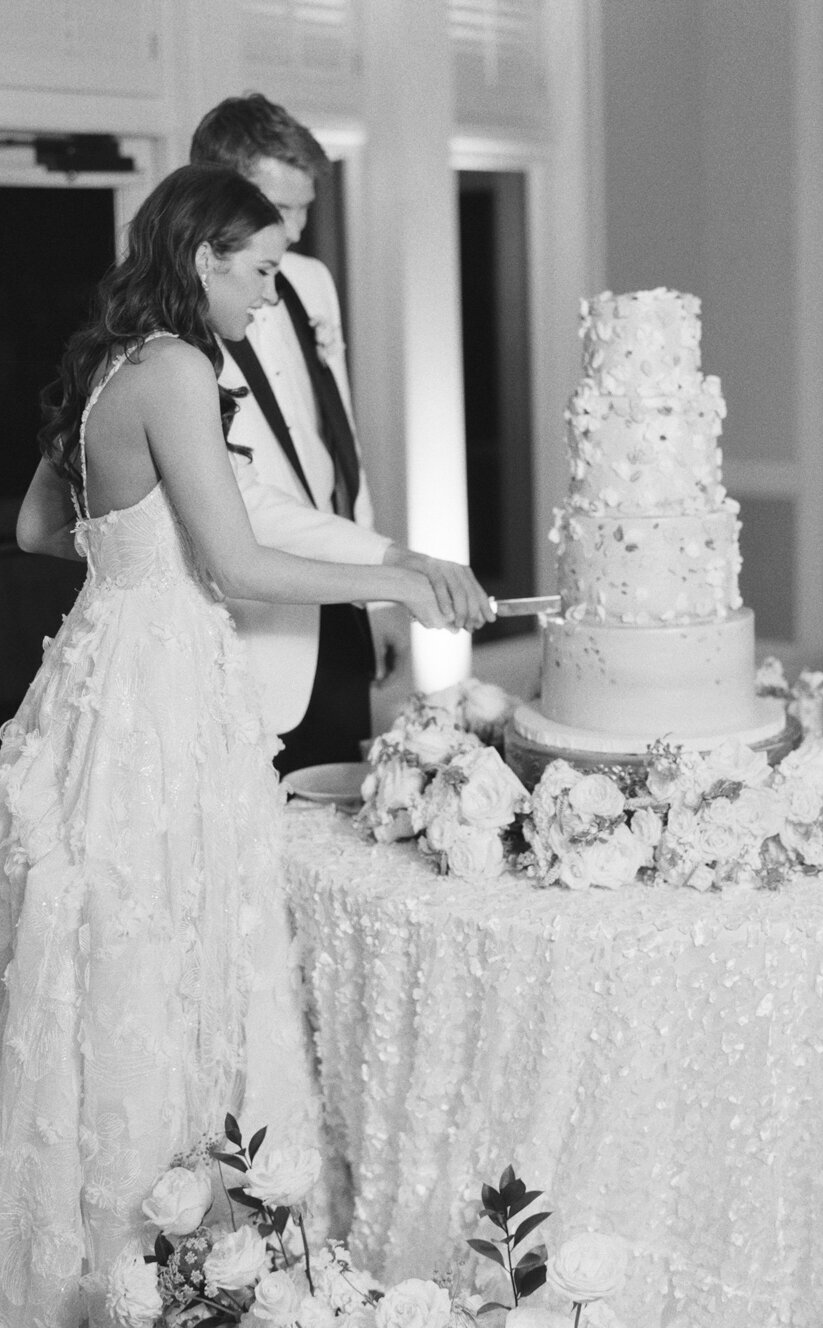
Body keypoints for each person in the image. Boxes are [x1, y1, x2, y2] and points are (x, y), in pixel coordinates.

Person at [0, 162, 492, 1327]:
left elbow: (32, 524)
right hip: (162, 692)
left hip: (103, 674)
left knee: (118, 948)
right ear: (203, 255)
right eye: (262, 269)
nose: (272, 295)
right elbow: (237, 564)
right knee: (175, 943)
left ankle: (143, 1230)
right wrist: (393, 580)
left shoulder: (107, 360)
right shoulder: (174, 366)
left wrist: (130, 558)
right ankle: (165, 1240)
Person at [190, 93, 438, 771]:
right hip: (250, 620)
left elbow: (339, 449)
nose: (296, 230)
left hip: (342, 600)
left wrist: (374, 591)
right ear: (218, 197)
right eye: (282, 209)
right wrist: (397, 565)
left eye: (304, 209)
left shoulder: (310, 283)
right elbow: (236, 503)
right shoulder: (180, 321)